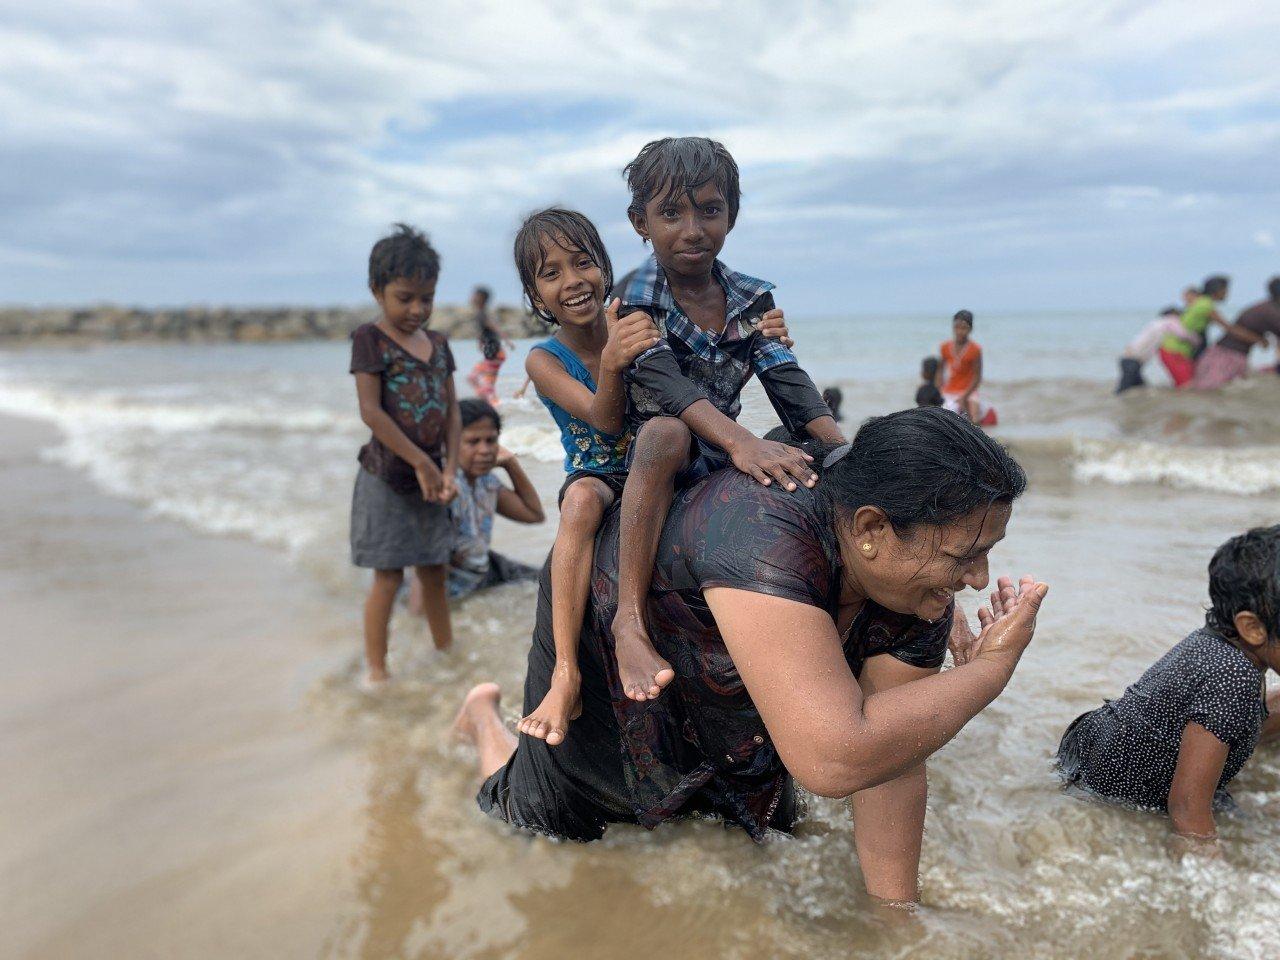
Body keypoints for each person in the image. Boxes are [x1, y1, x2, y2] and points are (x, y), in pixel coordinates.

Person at [453, 407, 1046, 903]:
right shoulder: (763, 532)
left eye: (987, 553)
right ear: (871, 528)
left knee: (753, 828)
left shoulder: (915, 589)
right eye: (964, 555)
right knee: (542, 819)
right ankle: (484, 718)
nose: (978, 579)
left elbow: (889, 756)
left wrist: (897, 921)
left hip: (728, 699)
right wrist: (989, 673)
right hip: (620, 660)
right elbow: (833, 759)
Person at [515, 207, 794, 746]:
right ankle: (567, 673)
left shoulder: (641, 314)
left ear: (604, 267)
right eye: (551, 274)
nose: (572, 282)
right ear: (534, 297)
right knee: (580, 507)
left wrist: (764, 332)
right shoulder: (541, 361)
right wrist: (614, 361)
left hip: (666, 461)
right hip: (599, 472)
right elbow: (603, 418)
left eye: (583, 263)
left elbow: (711, 349)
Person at [609, 136, 845, 702]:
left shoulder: (750, 298)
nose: (692, 229)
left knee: (808, 449)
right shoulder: (634, 299)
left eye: (709, 210)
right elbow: (667, 384)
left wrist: (844, 450)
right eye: (671, 213)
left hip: (722, 451)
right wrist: (741, 443)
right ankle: (628, 619)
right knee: (665, 434)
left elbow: (786, 380)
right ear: (640, 222)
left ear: (732, 216)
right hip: (656, 451)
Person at [1056, 526, 1280, 844]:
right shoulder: (1233, 680)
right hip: (1112, 785)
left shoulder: (1223, 644)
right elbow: (1186, 810)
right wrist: (1212, 885)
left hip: (1093, 742)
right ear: (1252, 627)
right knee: (1248, 837)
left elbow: (1236, 720)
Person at [349, 224, 461, 687]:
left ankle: (446, 655)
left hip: (434, 479)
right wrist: (420, 461)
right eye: (405, 297)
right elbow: (371, 413)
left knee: (434, 570)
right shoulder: (369, 340)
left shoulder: (438, 345)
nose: (417, 309)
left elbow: (453, 411)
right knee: (389, 577)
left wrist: (450, 467)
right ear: (377, 290)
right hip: (387, 479)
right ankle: (377, 670)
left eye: (427, 298)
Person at [444, 398, 544, 598]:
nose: (484, 450)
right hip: (452, 579)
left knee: (545, 581)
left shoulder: (486, 482)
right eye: (473, 442)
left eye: (491, 441)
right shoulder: (445, 485)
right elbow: (425, 560)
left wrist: (511, 464)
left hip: (481, 566)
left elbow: (533, 514)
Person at [1190, 277, 1279, 389]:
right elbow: (1229, 328)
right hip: (1228, 357)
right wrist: (1259, 340)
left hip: (1221, 353)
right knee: (1207, 392)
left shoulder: (1265, 308)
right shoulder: (1271, 312)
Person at [1159, 275, 1231, 387]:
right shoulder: (1206, 305)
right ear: (1217, 290)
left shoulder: (1200, 302)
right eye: (1225, 290)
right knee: (1188, 387)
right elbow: (1228, 327)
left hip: (1177, 351)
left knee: (1188, 386)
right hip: (1174, 351)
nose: (1227, 294)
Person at [1116, 307, 1199, 393]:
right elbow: (1183, 334)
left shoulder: (1155, 323)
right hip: (1132, 361)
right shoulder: (1169, 321)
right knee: (1123, 389)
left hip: (1129, 359)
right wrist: (1196, 340)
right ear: (1173, 315)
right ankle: (1117, 404)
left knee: (1140, 388)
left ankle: (1126, 404)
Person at [939, 310, 996, 425]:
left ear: (970, 329)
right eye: (957, 327)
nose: (960, 331)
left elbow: (977, 377)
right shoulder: (945, 347)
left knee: (974, 418)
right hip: (949, 390)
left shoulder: (975, 349)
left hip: (968, 391)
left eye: (964, 328)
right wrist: (938, 389)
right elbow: (940, 371)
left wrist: (965, 396)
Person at [466, 286, 515, 405]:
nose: (471, 297)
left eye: (474, 295)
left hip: (495, 353)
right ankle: (487, 400)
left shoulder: (483, 314)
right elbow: (483, 332)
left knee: (488, 384)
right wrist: (480, 343)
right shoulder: (479, 314)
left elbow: (495, 328)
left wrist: (507, 341)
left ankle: (494, 405)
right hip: (492, 353)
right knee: (472, 378)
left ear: (481, 299)